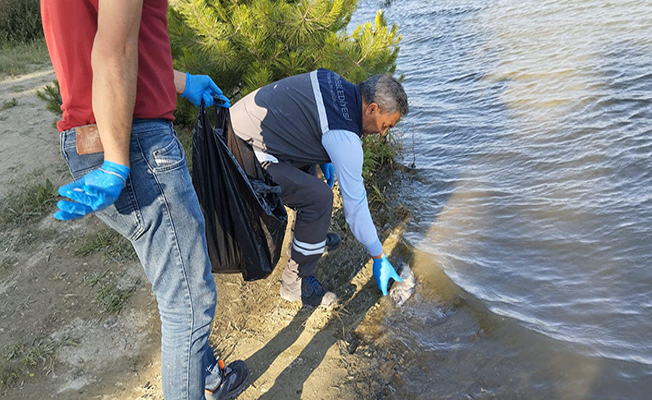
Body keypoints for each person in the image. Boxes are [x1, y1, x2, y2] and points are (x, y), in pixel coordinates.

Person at [40, 1, 249, 399]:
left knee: (176, 282)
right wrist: (118, 161)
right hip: (133, 140)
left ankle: (205, 374)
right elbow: (114, 52)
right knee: (189, 302)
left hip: (90, 135)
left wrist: (183, 82)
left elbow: (107, 44)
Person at [229, 68, 409, 307]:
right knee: (319, 197)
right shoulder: (345, 137)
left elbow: (307, 119)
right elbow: (355, 208)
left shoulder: (333, 79)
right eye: (385, 125)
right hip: (238, 154)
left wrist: (322, 158)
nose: (382, 133)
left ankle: (310, 237)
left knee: (309, 171)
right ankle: (295, 283)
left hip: (233, 130)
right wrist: (378, 256)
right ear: (372, 109)